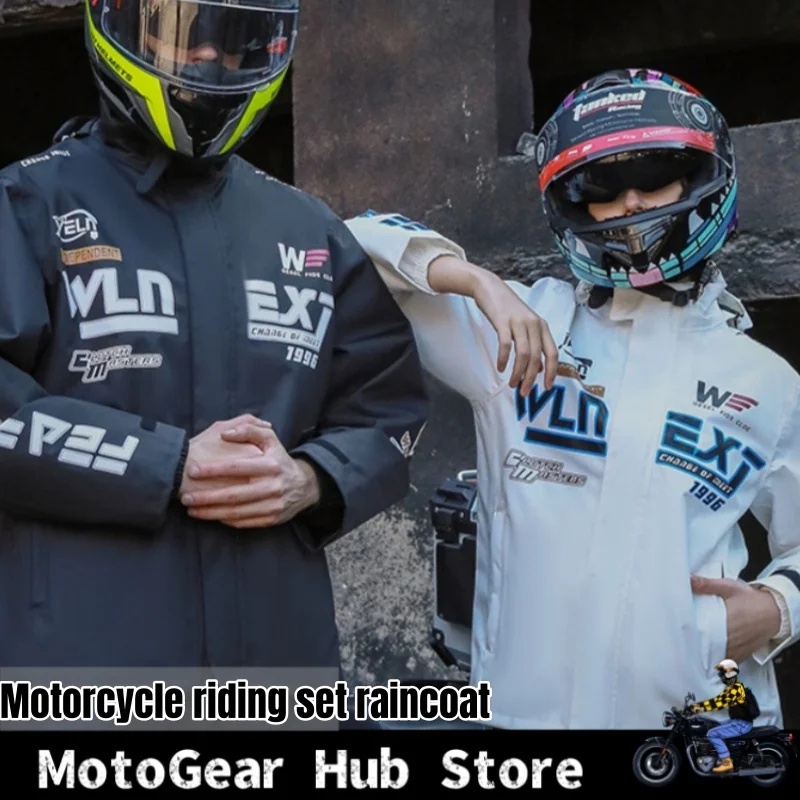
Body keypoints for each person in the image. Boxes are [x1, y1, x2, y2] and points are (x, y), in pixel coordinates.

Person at [343, 69, 800, 729]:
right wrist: (477, 283)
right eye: (601, 190)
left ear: (700, 179)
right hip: (526, 723)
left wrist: (779, 606)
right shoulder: (521, 326)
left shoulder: (766, 382)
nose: (630, 204)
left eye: (653, 177)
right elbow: (348, 243)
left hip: (701, 732)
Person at [0, 0, 432, 690]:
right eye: (182, 32)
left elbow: (388, 409)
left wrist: (312, 479)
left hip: (279, 675)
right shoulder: (28, 202)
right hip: (82, 673)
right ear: (117, 25)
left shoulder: (306, 227)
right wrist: (166, 463)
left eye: (235, 38)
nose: (208, 56)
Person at [690, 658, 758, 773]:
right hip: (738, 721)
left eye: (722, 674)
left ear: (729, 674)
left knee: (712, 734)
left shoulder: (735, 689)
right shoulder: (732, 688)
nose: (721, 677)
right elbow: (716, 700)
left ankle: (727, 762)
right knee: (714, 726)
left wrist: (699, 708)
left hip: (741, 724)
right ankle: (719, 756)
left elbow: (718, 704)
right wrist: (697, 706)